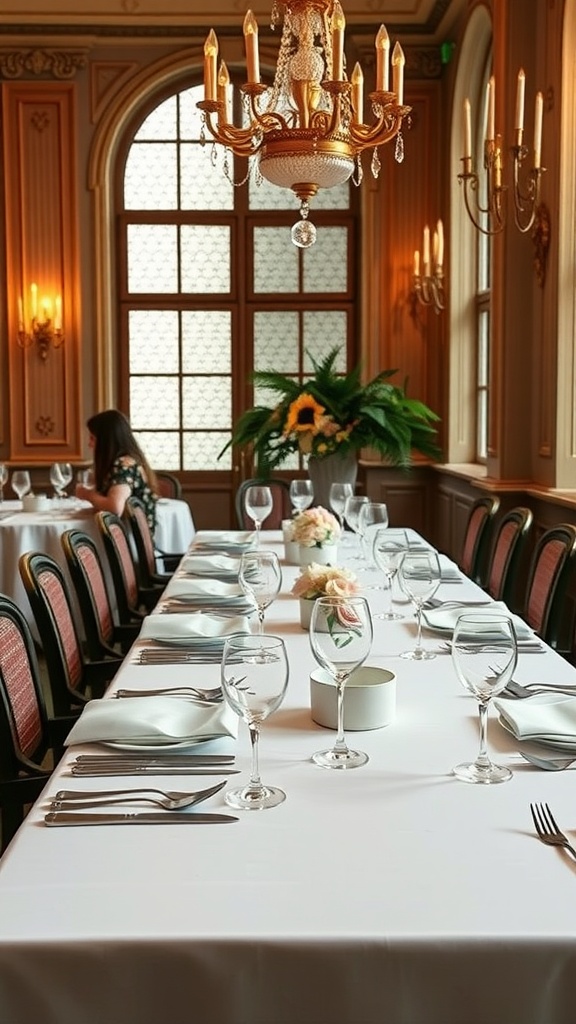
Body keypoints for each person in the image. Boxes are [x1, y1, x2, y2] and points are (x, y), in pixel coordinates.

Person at [75, 409, 158, 532]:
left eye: (92, 438)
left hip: (129, 546)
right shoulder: (130, 461)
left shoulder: (124, 465)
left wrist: (87, 495)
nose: (89, 444)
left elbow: (114, 507)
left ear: (106, 440)